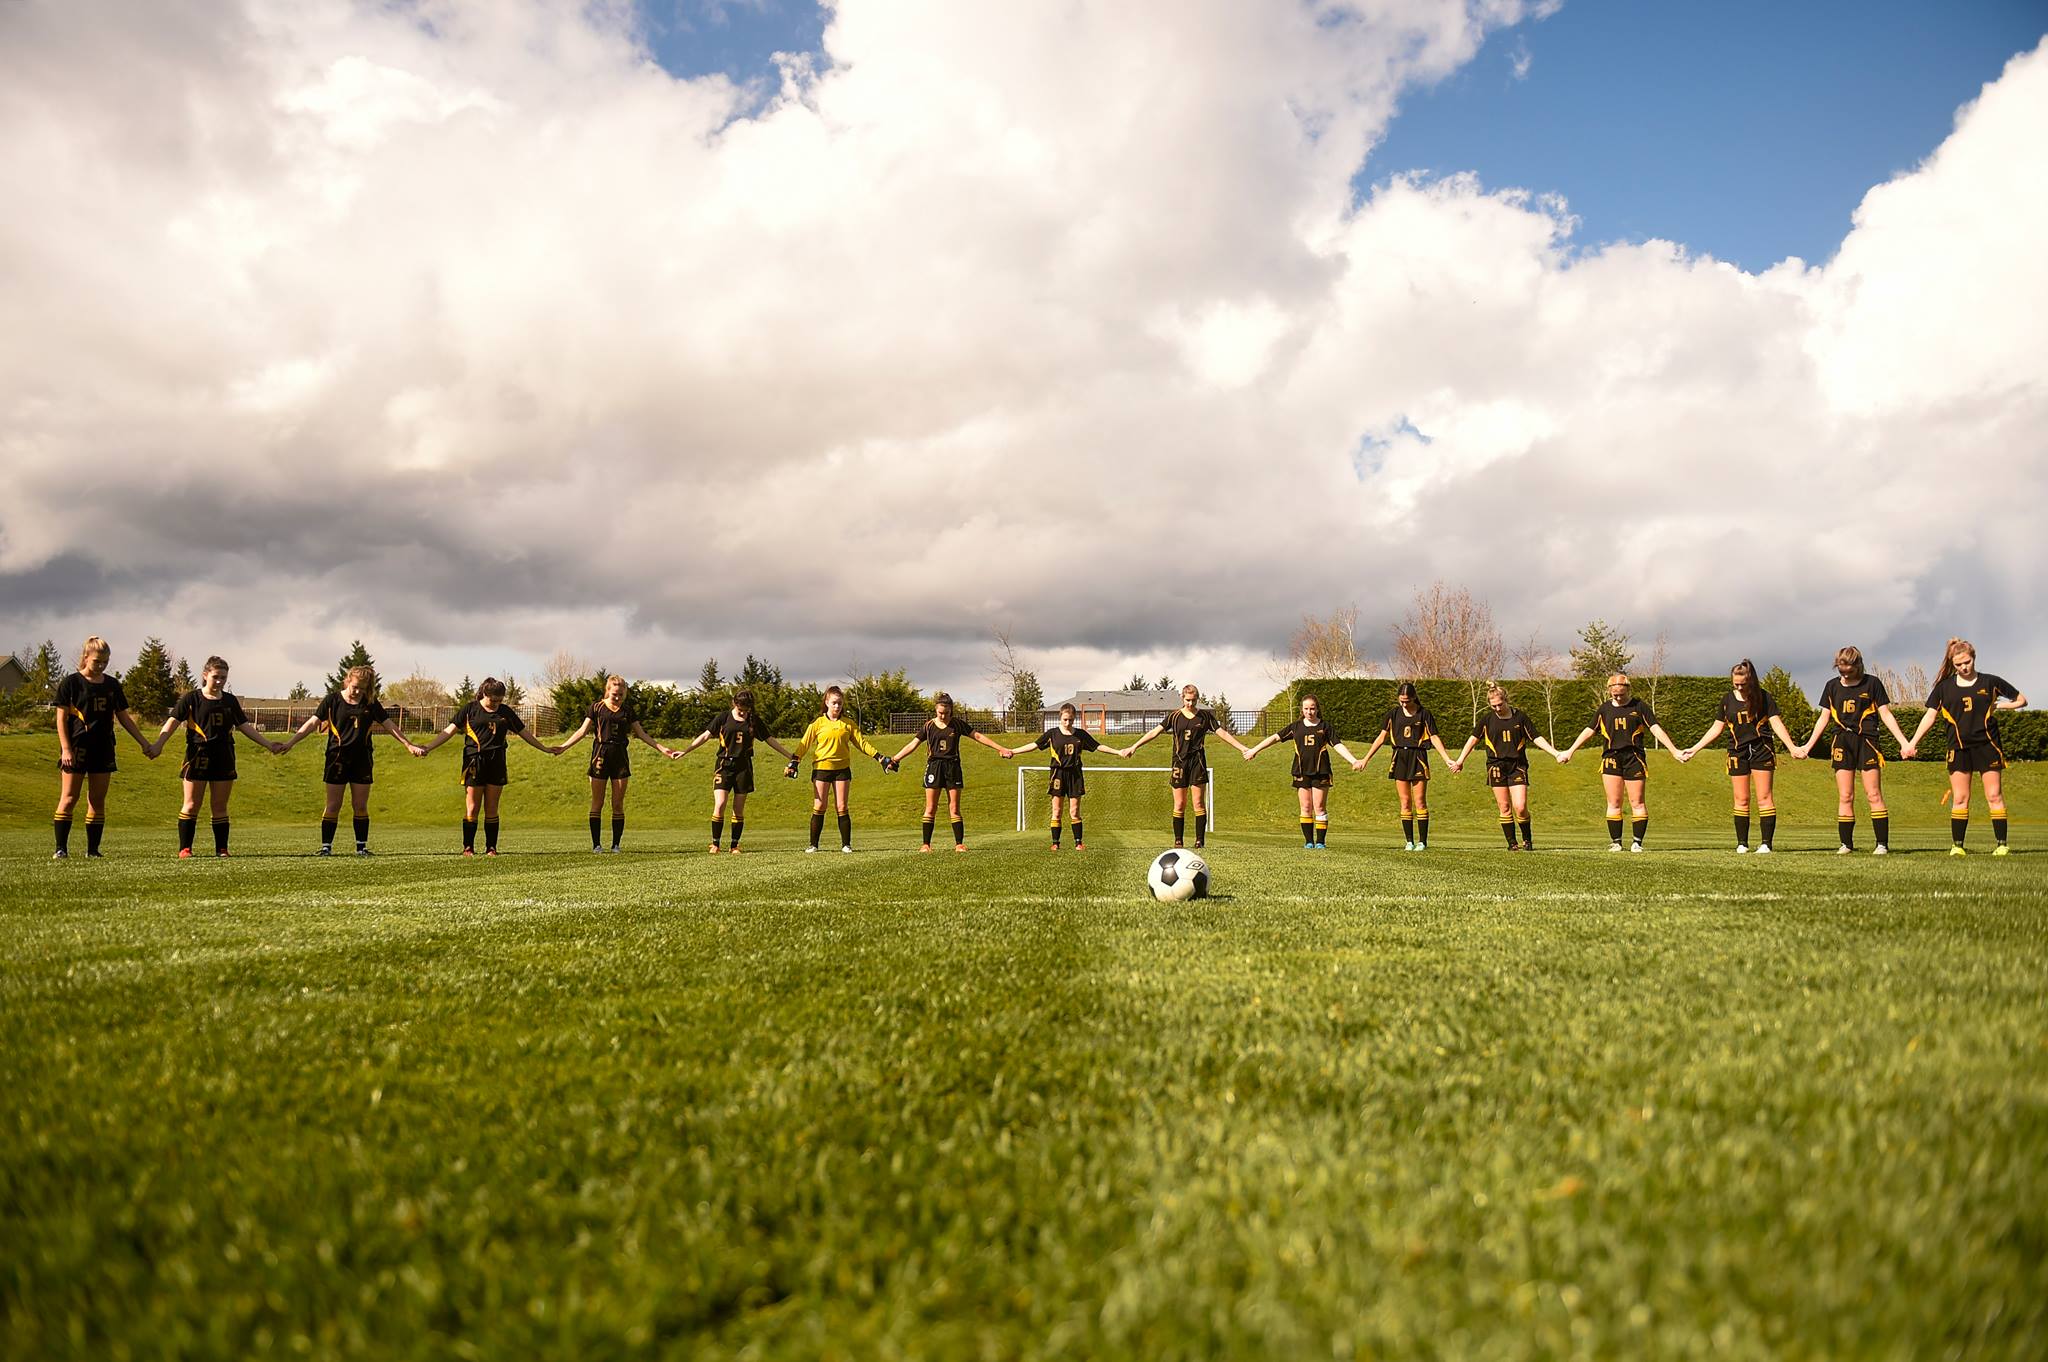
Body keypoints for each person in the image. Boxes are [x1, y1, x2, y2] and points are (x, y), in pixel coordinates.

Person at [147, 655, 285, 858]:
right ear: (205, 675)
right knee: (192, 804)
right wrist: (158, 744)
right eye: (215, 677)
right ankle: (185, 848)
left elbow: (244, 727)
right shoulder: (191, 698)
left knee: (219, 806)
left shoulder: (230, 701)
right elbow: (173, 721)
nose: (219, 681)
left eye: (223, 677)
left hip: (224, 756)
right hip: (197, 756)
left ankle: (222, 849)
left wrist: (268, 744)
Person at [279, 664, 422, 855]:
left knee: (360, 805)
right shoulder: (332, 700)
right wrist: (291, 742)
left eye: (363, 689)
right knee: (333, 805)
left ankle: (361, 847)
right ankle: (325, 848)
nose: (358, 691)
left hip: (362, 759)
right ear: (348, 680)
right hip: (336, 758)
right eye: (355, 687)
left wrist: (408, 744)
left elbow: (389, 725)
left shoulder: (370, 703)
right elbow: (312, 723)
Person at [1902, 638, 2028, 856]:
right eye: (1959, 664)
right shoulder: (1944, 688)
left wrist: (2003, 706)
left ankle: (2001, 845)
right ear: (1953, 663)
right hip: (1958, 748)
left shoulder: (1990, 682)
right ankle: (1957, 846)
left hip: (1988, 746)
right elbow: (1930, 716)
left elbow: (2021, 700)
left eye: (1967, 662)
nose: (1964, 667)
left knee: (1994, 795)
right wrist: (1911, 743)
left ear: (1974, 658)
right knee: (1960, 798)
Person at [412, 677, 560, 855]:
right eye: (493, 700)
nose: (496, 704)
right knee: (473, 807)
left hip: (497, 761)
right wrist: (428, 747)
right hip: (474, 761)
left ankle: (491, 847)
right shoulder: (470, 709)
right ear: (484, 694)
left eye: (500, 700)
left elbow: (524, 733)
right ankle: (468, 847)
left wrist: (544, 748)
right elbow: (448, 731)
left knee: (492, 807)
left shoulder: (505, 712)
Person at [1795, 646, 1911, 855]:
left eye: (1849, 669)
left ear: (1858, 665)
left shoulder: (1873, 683)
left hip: (1867, 741)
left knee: (1873, 794)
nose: (1845, 674)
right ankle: (1846, 844)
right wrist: (1807, 747)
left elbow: (1886, 715)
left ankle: (1881, 844)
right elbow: (1824, 718)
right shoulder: (1831, 687)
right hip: (1842, 741)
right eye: (1841, 669)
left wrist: (1904, 743)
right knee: (1845, 795)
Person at [1556, 674, 1689, 852]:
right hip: (1611, 758)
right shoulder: (1604, 709)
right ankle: (1616, 842)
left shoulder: (1639, 706)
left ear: (1628, 689)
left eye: (1621, 694)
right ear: (1609, 691)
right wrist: (1570, 751)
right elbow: (1589, 731)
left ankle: (1637, 842)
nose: (1618, 698)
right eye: (1614, 695)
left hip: (1634, 758)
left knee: (1637, 802)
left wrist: (1674, 750)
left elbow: (1656, 728)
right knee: (1614, 802)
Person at [1681, 659, 1802, 854]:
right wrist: (1694, 749)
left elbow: (1777, 724)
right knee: (1741, 798)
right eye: (1735, 683)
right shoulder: (1727, 700)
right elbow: (1716, 728)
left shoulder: (1764, 697)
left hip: (1762, 750)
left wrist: (1792, 747)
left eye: (1743, 684)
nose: (1739, 687)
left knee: (1764, 797)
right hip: (1737, 751)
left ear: (1751, 680)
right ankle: (1742, 844)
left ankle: (1765, 844)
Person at [51, 636, 157, 858]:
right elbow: (60, 720)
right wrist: (66, 749)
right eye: (97, 661)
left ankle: (93, 850)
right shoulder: (71, 683)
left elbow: (124, 718)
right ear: (86, 657)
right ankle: (61, 849)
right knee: (69, 798)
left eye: (105, 662)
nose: (100, 665)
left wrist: (144, 743)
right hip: (77, 747)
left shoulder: (112, 685)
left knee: (97, 800)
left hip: (103, 747)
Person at [551, 675, 681, 852]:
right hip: (600, 755)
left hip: (620, 756)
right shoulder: (596, 708)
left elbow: (641, 734)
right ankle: (596, 845)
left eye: (621, 694)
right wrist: (564, 747)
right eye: (614, 695)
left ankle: (616, 845)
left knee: (617, 804)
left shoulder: (627, 711)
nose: (618, 698)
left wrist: (663, 749)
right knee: (598, 802)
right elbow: (582, 731)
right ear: (607, 691)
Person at [1120, 684, 1252, 848]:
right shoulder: (1174, 717)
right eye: (1188, 700)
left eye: (1194, 700)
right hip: (1179, 763)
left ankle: (1199, 841)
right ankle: (1178, 841)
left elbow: (1222, 733)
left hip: (1198, 762)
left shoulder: (1205, 717)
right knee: (1180, 804)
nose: (1190, 703)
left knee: (1198, 803)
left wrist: (1242, 748)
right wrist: (1134, 746)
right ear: (1182, 698)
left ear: (1198, 699)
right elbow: (1154, 732)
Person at [674, 689, 799, 853]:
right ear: (735, 703)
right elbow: (705, 736)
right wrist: (685, 751)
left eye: (747, 710)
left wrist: (790, 756)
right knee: (720, 803)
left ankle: (734, 845)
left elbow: (769, 740)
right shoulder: (723, 717)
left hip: (744, 767)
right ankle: (715, 844)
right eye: (741, 709)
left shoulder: (754, 720)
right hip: (724, 765)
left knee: (738, 808)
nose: (743, 713)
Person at [886, 692, 1013, 851]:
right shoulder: (928, 726)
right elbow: (912, 745)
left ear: (951, 711)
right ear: (935, 710)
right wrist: (895, 759)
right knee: (931, 807)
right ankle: (926, 845)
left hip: (953, 767)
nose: (943, 716)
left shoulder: (957, 724)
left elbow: (978, 737)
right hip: (934, 767)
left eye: (946, 713)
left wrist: (1000, 748)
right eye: (940, 713)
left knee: (954, 807)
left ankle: (959, 844)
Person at [1450, 683, 1565, 851]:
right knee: (1504, 807)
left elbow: (1536, 737)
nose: (1497, 708)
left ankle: (1527, 839)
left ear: (1506, 700)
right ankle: (1512, 843)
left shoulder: (1520, 717)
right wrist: (1460, 760)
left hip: (1517, 766)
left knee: (1520, 806)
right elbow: (1472, 740)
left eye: (1500, 704)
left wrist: (1555, 753)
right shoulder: (1487, 720)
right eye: (1493, 705)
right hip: (1496, 766)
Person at [1241, 693, 1366, 849]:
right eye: (1306, 709)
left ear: (1317, 709)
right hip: (1301, 771)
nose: (1309, 712)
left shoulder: (1325, 727)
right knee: (1305, 807)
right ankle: (1308, 842)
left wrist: (1353, 760)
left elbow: (1338, 745)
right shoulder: (1296, 727)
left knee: (1319, 806)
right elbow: (1274, 738)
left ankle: (1320, 842)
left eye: (1312, 708)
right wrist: (1255, 750)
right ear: (1302, 709)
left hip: (1321, 771)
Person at [1352, 682, 1461, 851]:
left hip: (1418, 757)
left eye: (1407, 700)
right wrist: (1365, 759)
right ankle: (1409, 841)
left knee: (1420, 802)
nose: (1403, 704)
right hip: (1399, 758)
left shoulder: (1424, 714)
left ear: (1414, 697)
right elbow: (1381, 738)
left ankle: (1422, 842)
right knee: (1405, 802)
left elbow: (1434, 737)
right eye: (1401, 700)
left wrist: (1446, 758)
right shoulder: (1392, 714)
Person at [785, 685, 893, 853]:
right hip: (821, 768)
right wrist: (794, 762)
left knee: (842, 806)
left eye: (840, 704)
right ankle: (813, 845)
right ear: (827, 702)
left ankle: (846, 845)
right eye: (834, 703)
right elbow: (804, 744)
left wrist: (880, 757)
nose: (837, 706)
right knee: (820, 806)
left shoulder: (848, 724)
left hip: (842, 770)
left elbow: (862, 743)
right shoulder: (817, 723)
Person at [1029, 702, 1123, 850]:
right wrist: (1012, 751)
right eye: (1065, 719)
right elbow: (1033, 745)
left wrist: (1118, 752)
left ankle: (1078, 843)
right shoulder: (1052, 734)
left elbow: (1097, 746)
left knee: (1074, 811)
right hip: (1058, 774)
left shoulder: (1080, 734)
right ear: (1060, 717)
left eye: (1071, 720)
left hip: (1075, 774)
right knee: (1057, 811)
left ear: (1074, 719)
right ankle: (1055, 843)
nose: (1068, 722)